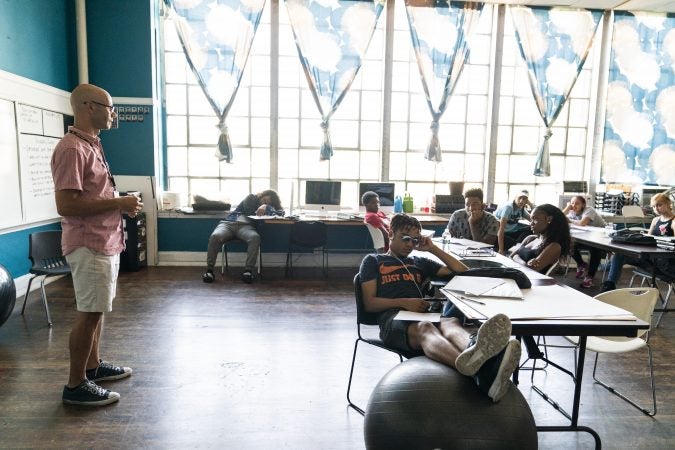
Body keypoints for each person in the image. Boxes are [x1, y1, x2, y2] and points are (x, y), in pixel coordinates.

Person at [359, 214, 521, 402]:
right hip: (392, 320)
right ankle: (479, 372)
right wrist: (404, 302)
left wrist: (433, 248)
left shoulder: (418, 262)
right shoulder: (373, 261)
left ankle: (476, 355)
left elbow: (461, 270)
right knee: (426, 328)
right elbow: (369, 303)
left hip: (421, 315)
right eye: (405, 238)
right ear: (390, 233)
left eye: (415, 240)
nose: (410, 244)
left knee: (450, 321)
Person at [52, 84, 143, 406]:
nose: (113, 113)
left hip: (104, 240)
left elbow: (93, 195)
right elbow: (66, 205)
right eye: (109, 107)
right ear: (89, 107)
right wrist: (118, 203)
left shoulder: (92, 145)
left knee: (98, 310)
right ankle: (76, 385)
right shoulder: (73, 149)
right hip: (89, 243)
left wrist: (118, 204)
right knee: (89, 313)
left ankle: (93, 366)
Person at [202, 190, 282, 284]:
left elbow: (279, 212)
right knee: (215, 236)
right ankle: (209, 271)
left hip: (246, 227)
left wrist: (267, 206)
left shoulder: (267, 207)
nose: (263, 203)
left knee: (255, 238)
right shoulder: (251, 197)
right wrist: (265, 207)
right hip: (229, 224)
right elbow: (250, 212)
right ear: (262, 195)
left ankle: (248, 272)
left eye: (267, 202)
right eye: (264, 200)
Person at [602, 193, 675, 292]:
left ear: (668, 203)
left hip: (665, 264)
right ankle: (609, 286)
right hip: (651, 259)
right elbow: (648, 240)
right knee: (620, 255)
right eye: (654, 206)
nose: (656, 208)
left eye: (659, 205)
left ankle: (604, 267)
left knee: (614, 261)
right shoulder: (655, 220)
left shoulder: (673, 221)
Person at [509, 204, 571, 275]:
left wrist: (516, 257)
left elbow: (530, 271)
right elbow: (511, 256)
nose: (531, 223)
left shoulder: (554, 246)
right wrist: (523, 263)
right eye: (531, 219)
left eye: (535, 219)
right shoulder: (530, 238)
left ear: (549, 219)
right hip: (515, 275)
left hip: (529, 282)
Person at [562, 195, 607, 288]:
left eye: (577, 203)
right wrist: (567, 207)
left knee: (596, 249)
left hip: (601, 238)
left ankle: (589, 277)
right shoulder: (572, 212)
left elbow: (582, 223)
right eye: (572, 203)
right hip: (585, 238)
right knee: (567, 243)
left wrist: (569, 220)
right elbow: (559, 218)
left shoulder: (589, 210)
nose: (574, 205)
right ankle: (581, 264)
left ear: (583, 205)